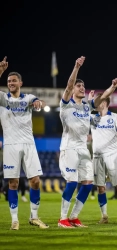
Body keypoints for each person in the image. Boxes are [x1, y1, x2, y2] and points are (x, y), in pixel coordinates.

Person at [58, 56, 117, 228]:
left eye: (83, 86)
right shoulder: (66, 104)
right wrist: (76, 66)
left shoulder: (87, 106)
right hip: (69, 148)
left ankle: (74, 217)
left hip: (83, 149)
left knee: (87, 184)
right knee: (72, 182)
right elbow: (69, 85)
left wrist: (112, 87)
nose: (82, 88)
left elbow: (101, 99)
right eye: (79, 86)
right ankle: (62, 219)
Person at [0, 56, 48, 230]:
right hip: (11, 145)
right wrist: (1, 70)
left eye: (14, 80)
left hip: (28, 144)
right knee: (13, 183)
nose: (11, 83)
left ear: (20, 82)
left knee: (35, 181)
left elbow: (39, 102)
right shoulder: (2, 99)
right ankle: (14, 220)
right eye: (8, 81)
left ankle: (34, 217)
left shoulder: (27, 98)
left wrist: (38, 104)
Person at [89, 92, 117, 225]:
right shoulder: (92, 117)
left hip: (112, 155)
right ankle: (104, 216)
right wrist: (89, 100)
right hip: (97, 156)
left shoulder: (115, 117)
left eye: (99, 101)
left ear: (105, 103)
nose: (97, 103)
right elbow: (84, 110)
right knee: (100, 188)